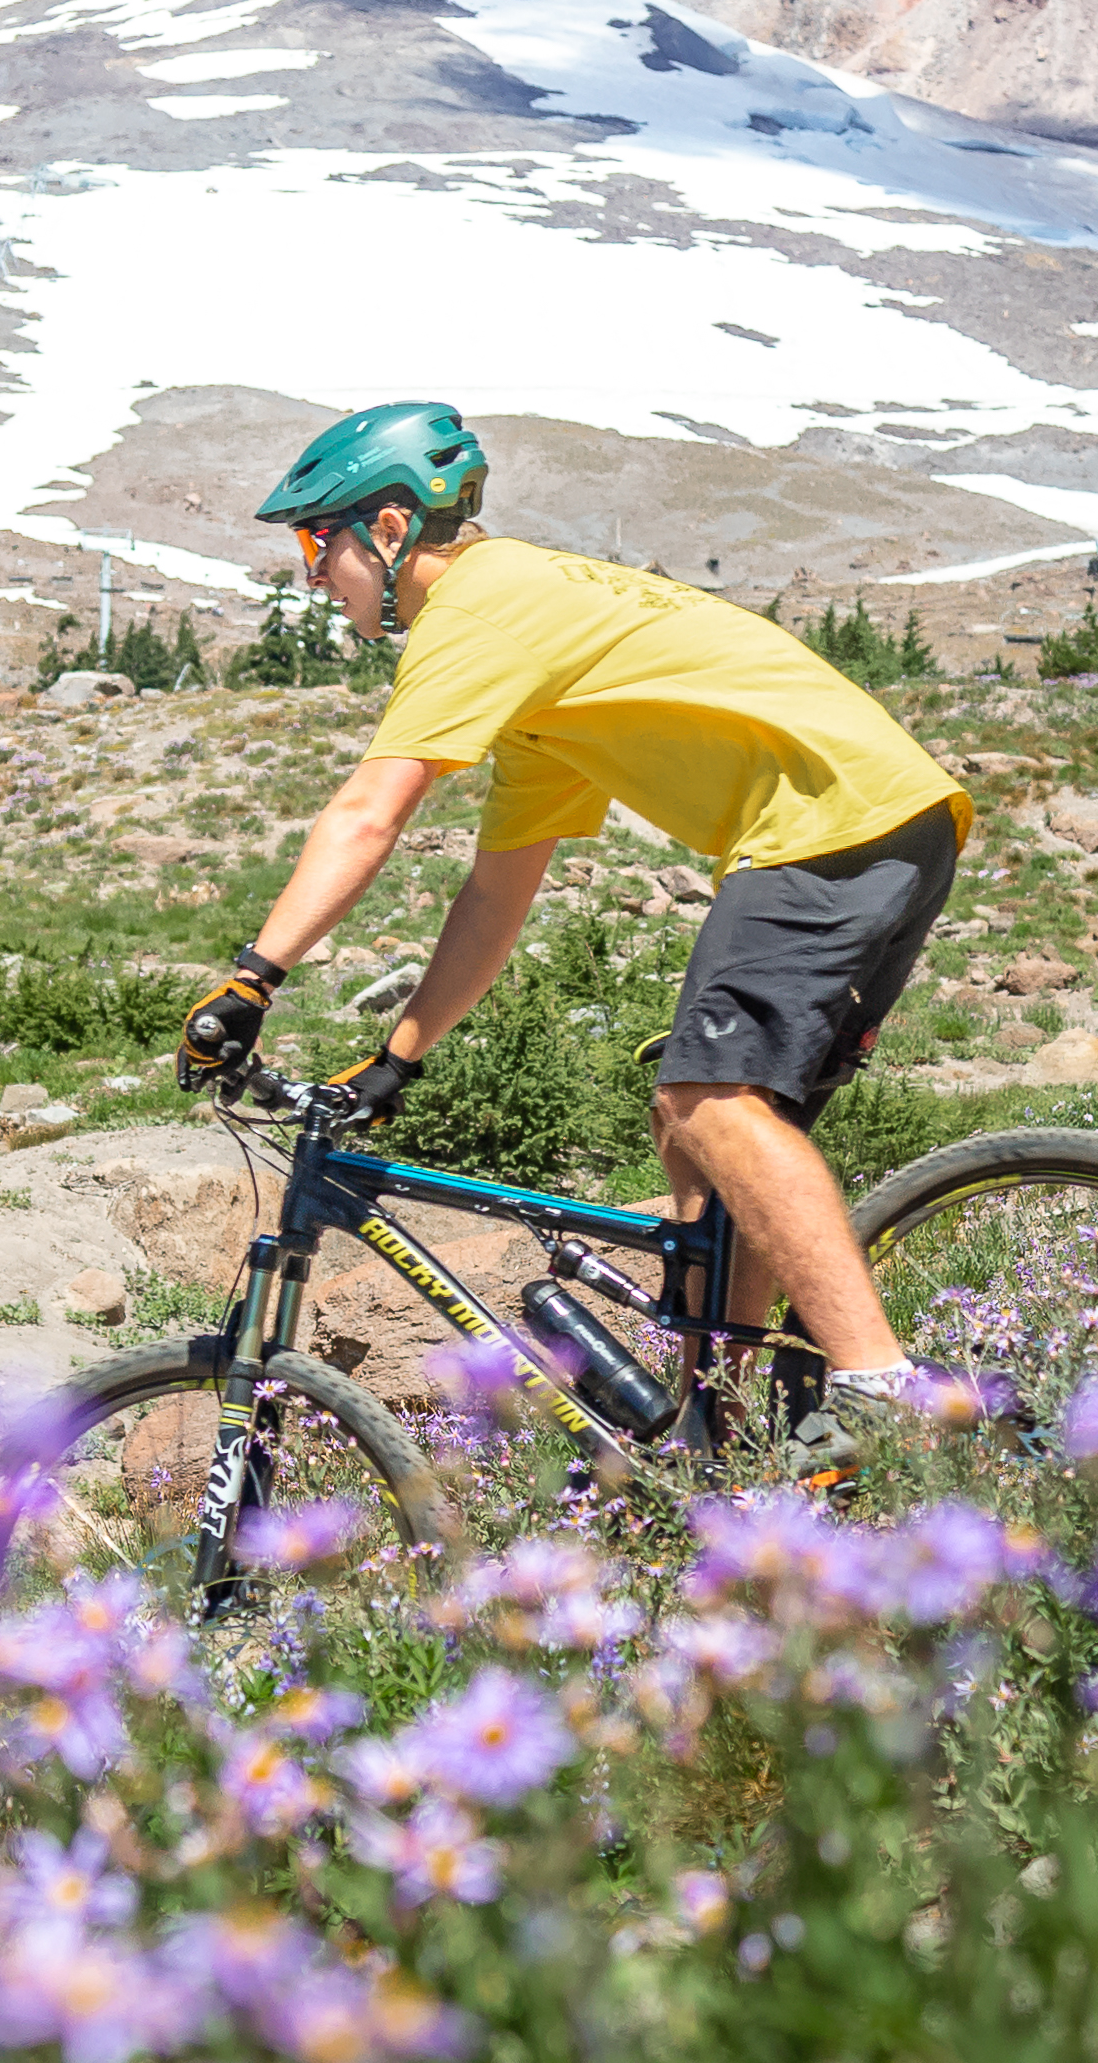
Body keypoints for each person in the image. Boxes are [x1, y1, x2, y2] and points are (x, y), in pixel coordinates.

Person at [173, 401, 970, 1432]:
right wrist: (398, 1057)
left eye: (313, 543)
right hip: (879, 819)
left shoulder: (481, 610)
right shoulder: (534, 649)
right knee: (699, 1145)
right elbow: (499, 890)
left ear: (386, 529)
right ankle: (719, 1431)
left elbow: (371, 810)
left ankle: (879, 1387)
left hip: (828, 823)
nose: (310, 576)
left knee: (708, 1101)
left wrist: (253, 978)